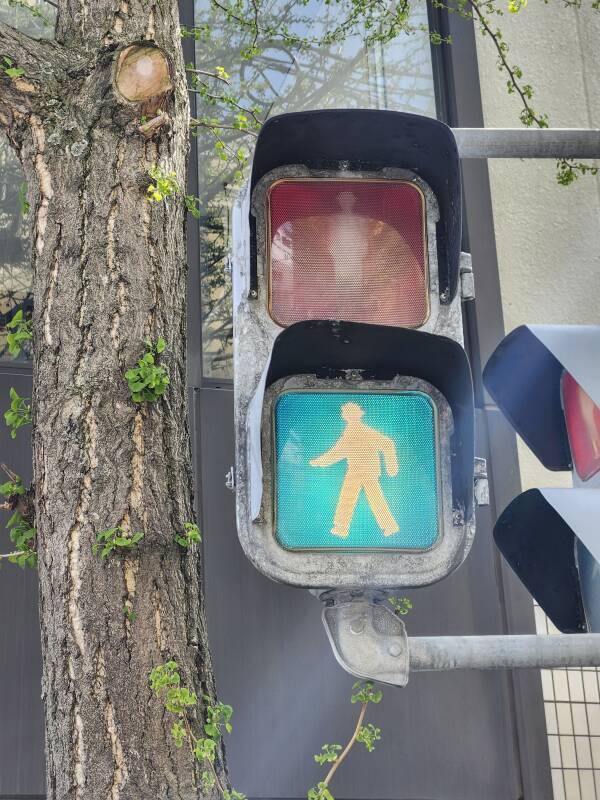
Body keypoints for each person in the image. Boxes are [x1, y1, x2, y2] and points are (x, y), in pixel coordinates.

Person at [310, 401, 400, 538]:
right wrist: (321, 461)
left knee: (366, 499)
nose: (345, 415)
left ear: (355, 415)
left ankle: (344, 528)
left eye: (347, 413)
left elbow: (387, 444)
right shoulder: (350, 432)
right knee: (355, 498)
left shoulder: (362, 431)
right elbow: (338, 451)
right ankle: (342, 527)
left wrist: (391, 467)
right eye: (345, 413)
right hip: (357, 470)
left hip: (366, 471)